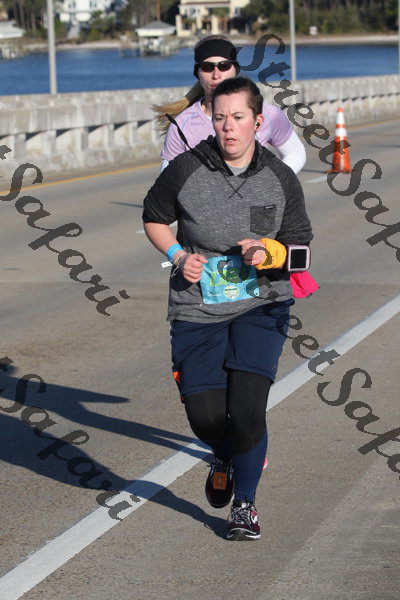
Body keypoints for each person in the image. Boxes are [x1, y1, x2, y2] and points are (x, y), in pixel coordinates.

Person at [143, 77, 313, 541]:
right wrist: (179, 255)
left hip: (262, 305)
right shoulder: (186, 168)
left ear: (258, 123)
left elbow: (301, 249)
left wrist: (269, 252)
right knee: (207, 418)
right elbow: (154, 217)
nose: (228, 127)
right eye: (220, 118)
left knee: (248, 410)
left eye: (238, 117)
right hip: (197, 308)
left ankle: (245, 506)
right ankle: (223, 453)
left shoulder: (280, 177)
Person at [153, 35, 306, 174]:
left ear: (235, 70)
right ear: (197, 73)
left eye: (224, 66)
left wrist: (271, 184)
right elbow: (166, 183)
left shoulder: (267, 114)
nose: (216, 75)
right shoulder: (182, 125)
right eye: (207, 67)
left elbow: (296, 153)